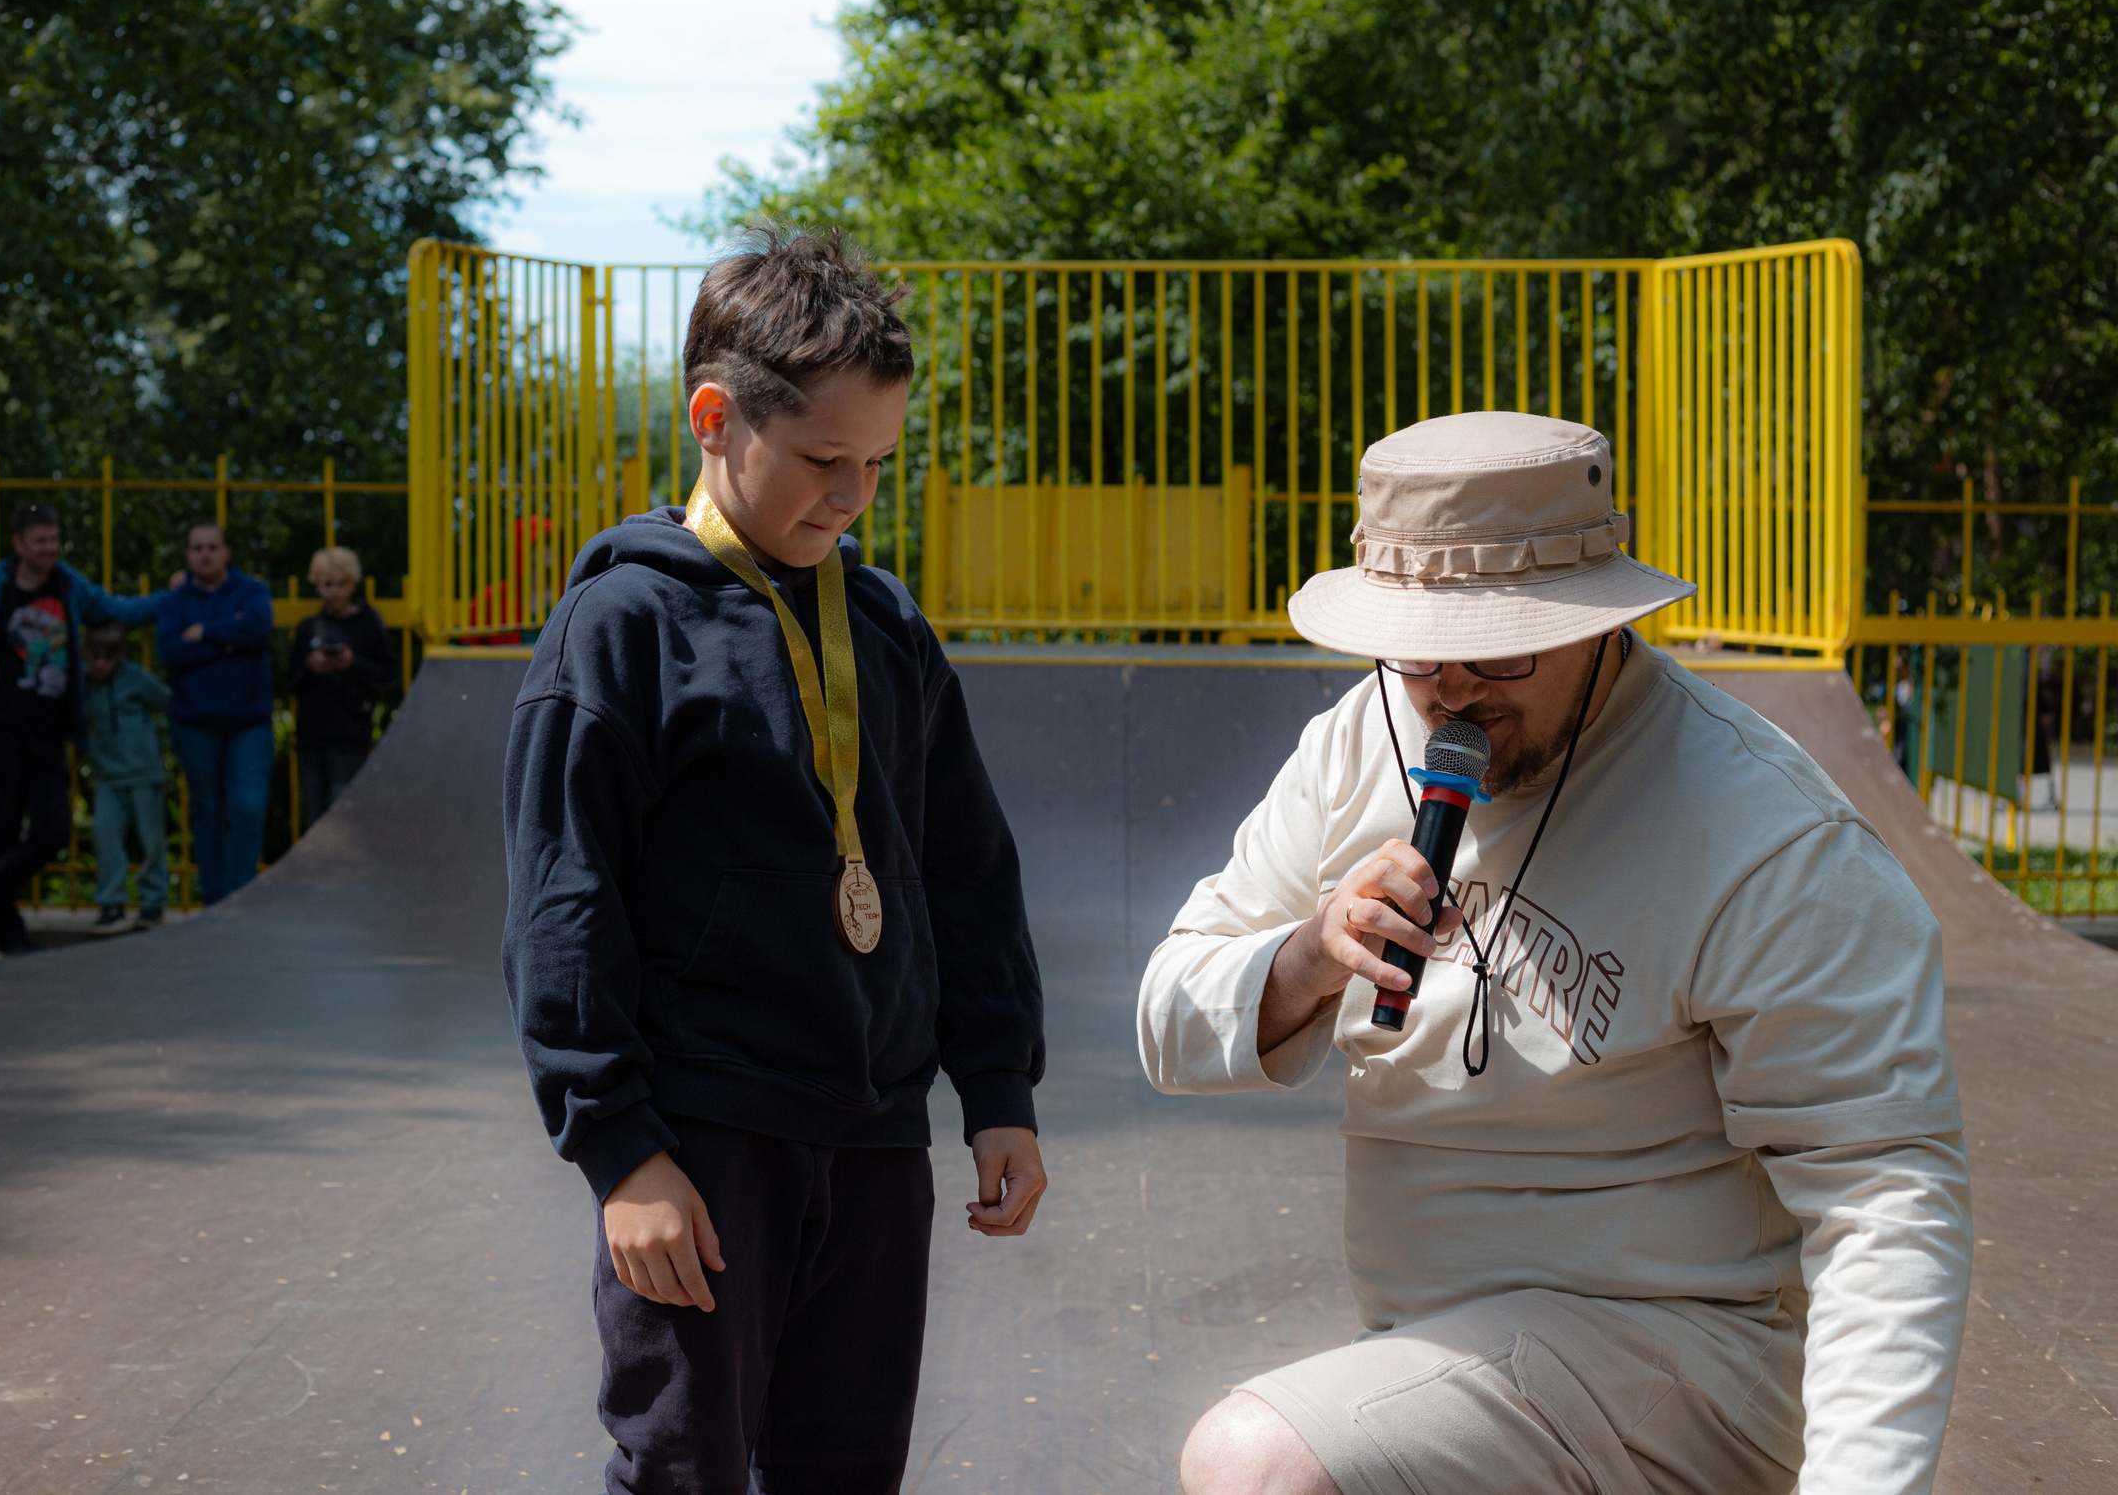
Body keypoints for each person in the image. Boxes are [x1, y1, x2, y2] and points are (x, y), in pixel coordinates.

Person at [1141, 413, 1970, 1495]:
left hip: (1684, 1363)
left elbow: (1884, 1195)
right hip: (1444, 1357)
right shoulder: (1364, 736)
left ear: (1596, 621)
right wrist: (1309, 955)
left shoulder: (1761, 837)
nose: (1450, 691)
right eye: (1416, 648)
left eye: (1498, 646)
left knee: (1257, 1464)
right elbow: (1166, 1015)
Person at [501, 225, 1049, 1492]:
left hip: (870, 1136)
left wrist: (998, 1087)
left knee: (847, 1463)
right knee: (685, 1463)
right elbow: (562, 897)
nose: (851, 497)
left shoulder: (887, 626)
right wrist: (619, 1150)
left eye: (875, 465)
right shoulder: (621, 625)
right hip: (703, 1139)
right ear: (713, 417)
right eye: (820, 461)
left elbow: (963, 865)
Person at [0, 504, 160, 960]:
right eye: (40, 540)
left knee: (53, 830)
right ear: (19, 544)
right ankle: (8, 935)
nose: (49, 548)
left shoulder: (67, 585)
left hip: (47, 731)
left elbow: (116, 609)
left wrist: (174, 599)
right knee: (2, 834)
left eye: (54, 539)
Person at [156, 520, 273, 905]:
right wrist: (228, 641)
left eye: (212, 547)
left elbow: (257, 629)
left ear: (226, 552)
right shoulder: (175, 601)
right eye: (197, 548)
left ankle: (241, 900)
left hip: (249, 723)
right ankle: (214, 901)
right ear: (188, 555)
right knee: (207, 812)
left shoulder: (252, 592)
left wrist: (203, 633)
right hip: (194, 723)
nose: (205, 554)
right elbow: (171, 652)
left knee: (248, 808)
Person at [288, 544, 399, 832]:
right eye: (327, 585)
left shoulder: (368, 623)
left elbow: (388, 677)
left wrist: (353, 663)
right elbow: (290, 684)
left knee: (344, 823)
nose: (334, 592)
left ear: (353, 583)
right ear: (316, 585)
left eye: (341, 584)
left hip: (350, 737)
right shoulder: (308, 627)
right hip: (312, 737)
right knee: (314, 820)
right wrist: (311, 667)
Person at [82, 621, 172, 930]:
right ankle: (111, 902)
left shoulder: (133, 677)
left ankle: (152, 902)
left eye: (106, 658)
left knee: (151, 840)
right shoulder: (83, 683)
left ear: (118, 656)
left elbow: (166, 700)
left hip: (143, 771)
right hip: (107, 774)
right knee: (105, 835)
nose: (99, 665)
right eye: (93, 657)